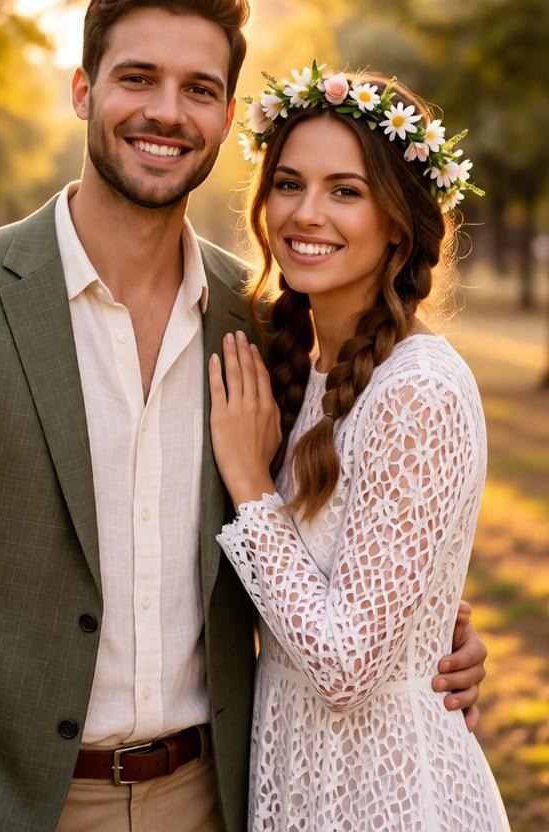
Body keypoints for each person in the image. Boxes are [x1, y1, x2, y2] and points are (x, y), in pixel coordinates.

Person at [0, 0, 487, 832]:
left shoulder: (269, 321)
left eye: (198, 88)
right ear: (83, 90)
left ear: (227, 119)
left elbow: (341, 534)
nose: (166, 111)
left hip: (222, 794)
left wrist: (434, 630)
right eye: (136, 78)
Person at [208, 63, 510, 830]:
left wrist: (248, 483)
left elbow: (344, 665)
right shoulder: (299, 371)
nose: (307, 214)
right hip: (299, 782)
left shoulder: (419, 388)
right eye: (288, 183)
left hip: (388, 795)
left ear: (398, 222)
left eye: (346, 190)